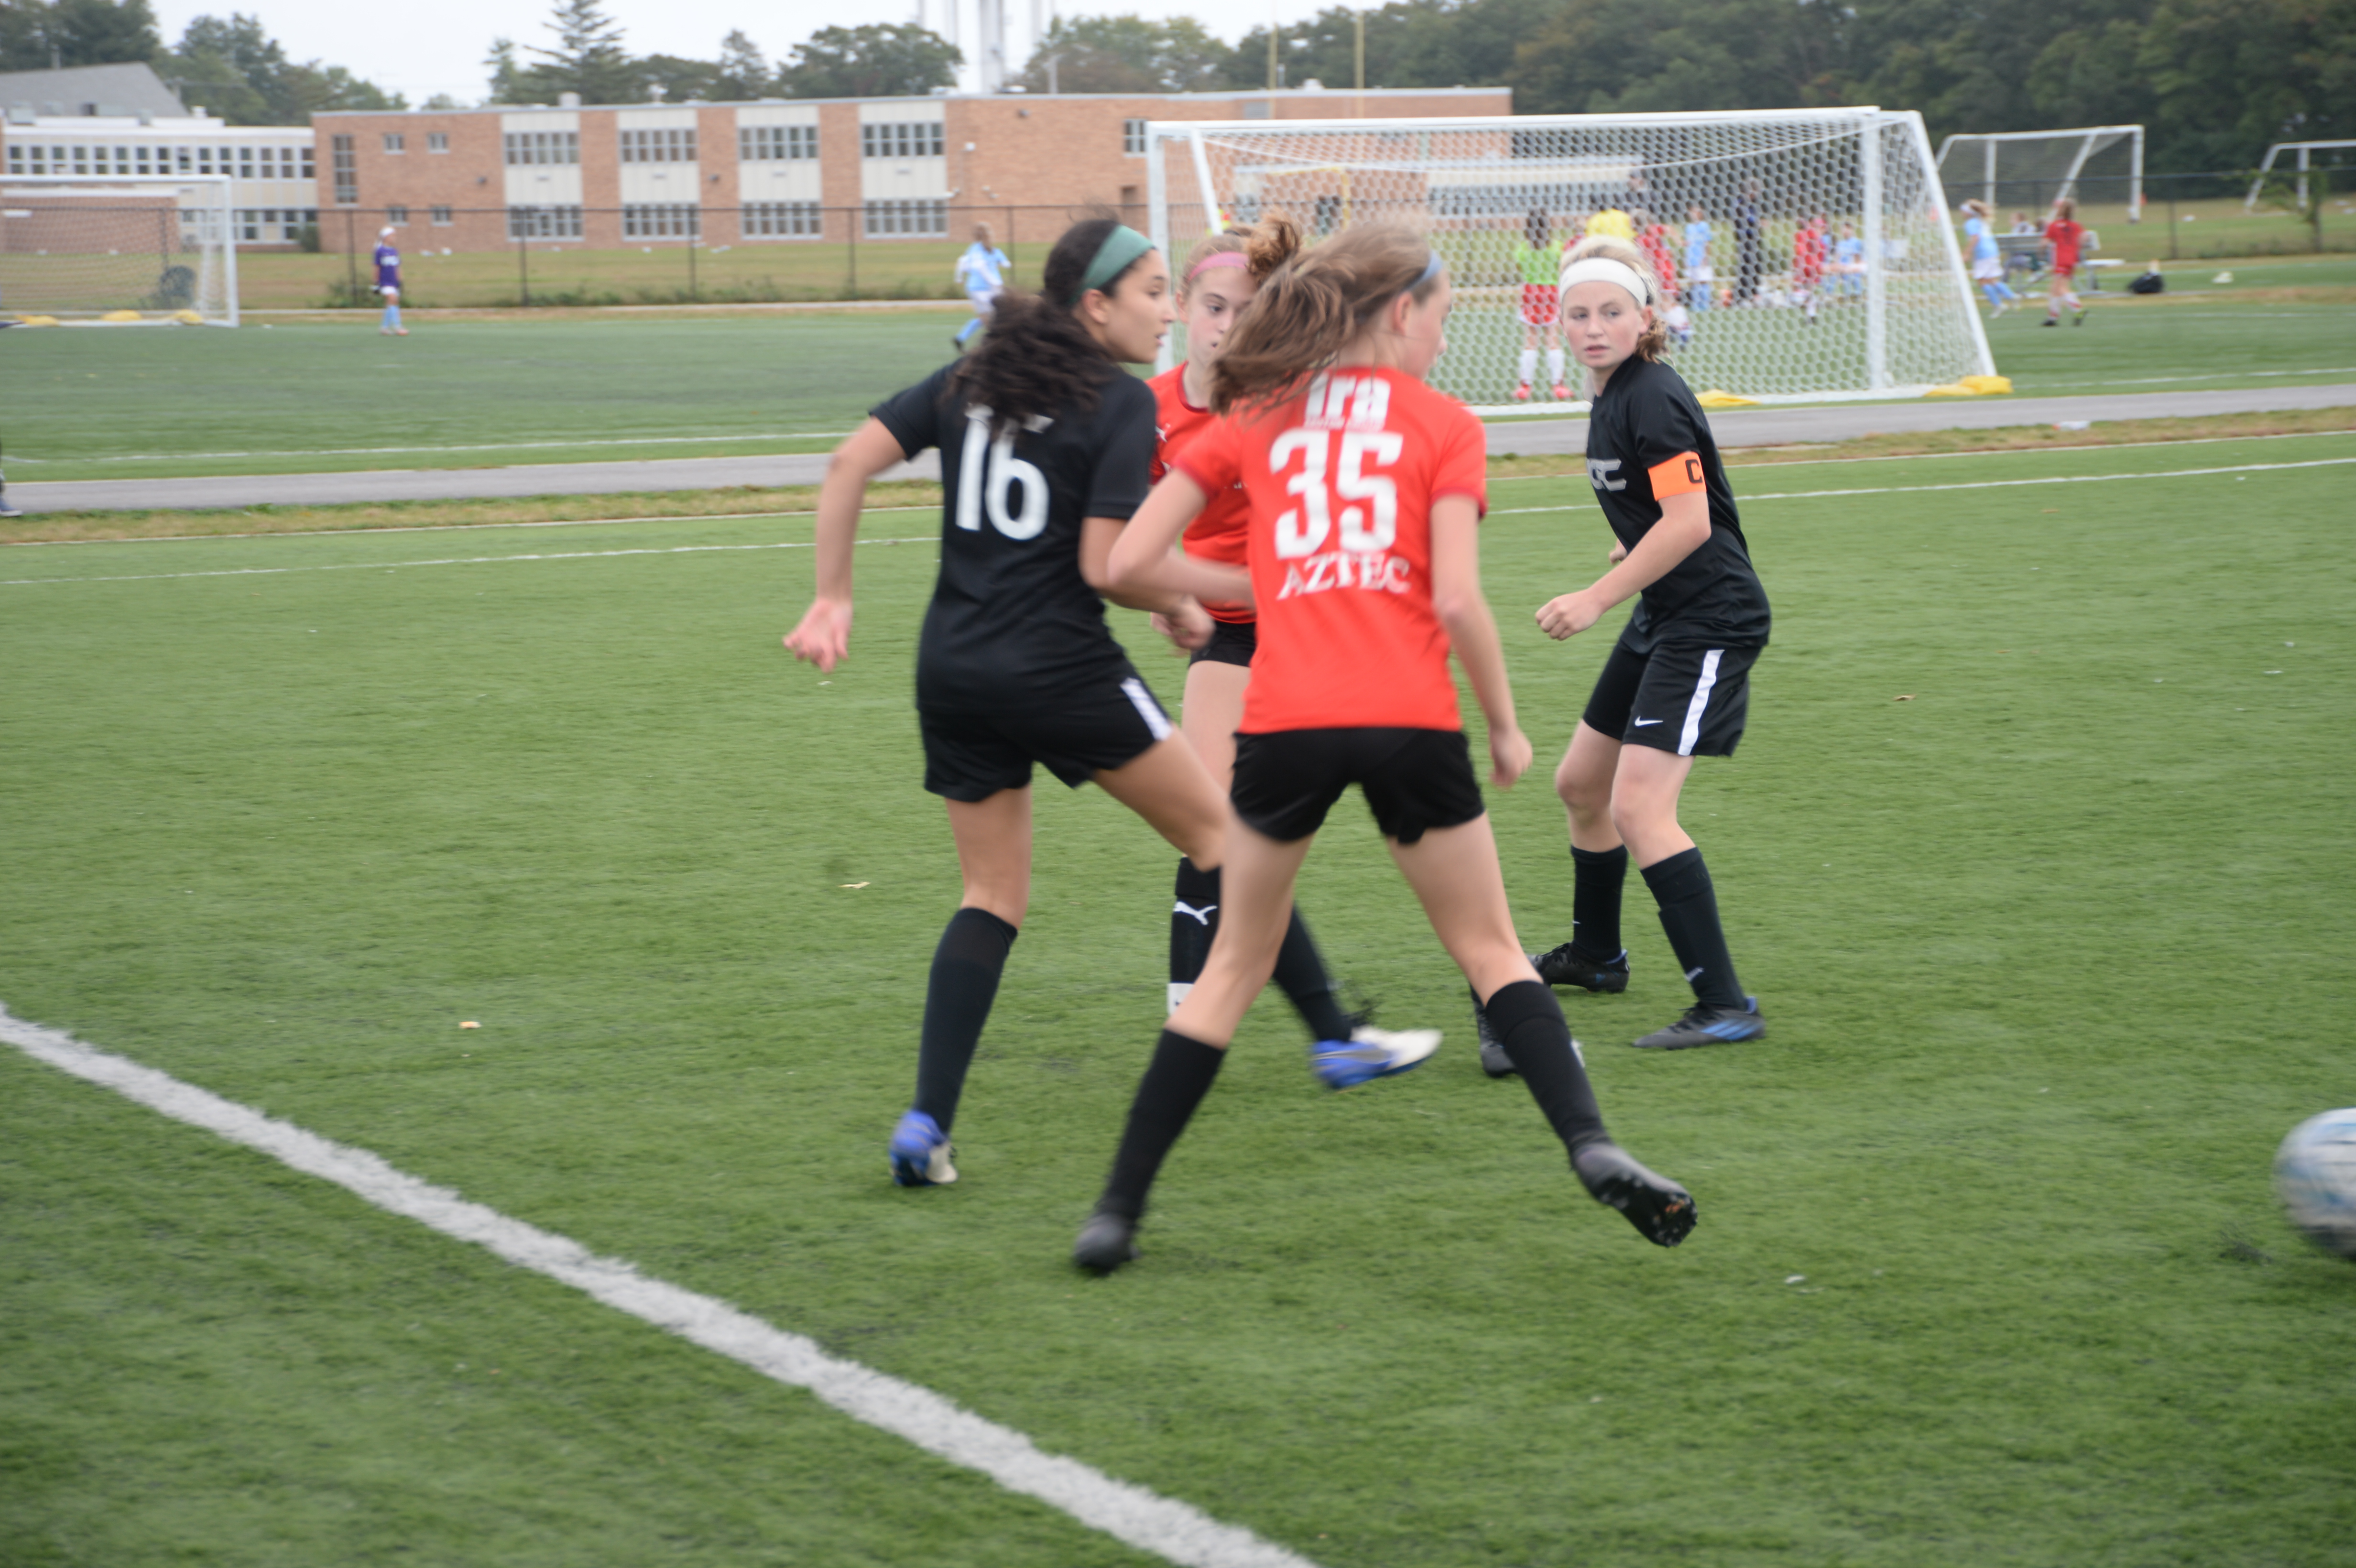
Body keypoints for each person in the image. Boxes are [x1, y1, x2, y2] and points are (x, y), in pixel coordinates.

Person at [1075, 221, 1699, 1273]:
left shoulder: (1255, 416)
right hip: (1408, 718)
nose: (1442, 342)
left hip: (1286, 721)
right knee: (1491, 950)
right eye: (1441, 320)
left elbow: (1130, 561)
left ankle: (1116, 1213)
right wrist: (1502, 722)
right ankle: (1590, 1145)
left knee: (1232, 969)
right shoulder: (1441, 424)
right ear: (1400, 314)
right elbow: (1454, 597)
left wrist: (1252, 584)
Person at [783, 218, 1231, 1189]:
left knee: (990, 897)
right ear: (1095, 305)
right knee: (1223, 838)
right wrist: (1186, 599)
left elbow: (846, 463)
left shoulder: (973, 377)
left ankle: (927, 1123)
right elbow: (1107, 567)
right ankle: (1334, 1032)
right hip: (1058, 667)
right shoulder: (1120, 401)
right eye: (1155, 290)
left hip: (951, 668)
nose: (1167, 311)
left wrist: (832, 597)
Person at [1147, 212, 1442, 1081]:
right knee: (1212, 829)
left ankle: (1492, 1002)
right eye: (1213, 306)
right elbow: (1128, 539)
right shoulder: (1149, 411)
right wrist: (1169, 595)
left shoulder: (1295, 404)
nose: (1227, 325)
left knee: (1418, 827)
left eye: (1247, 310)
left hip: (1317, 637)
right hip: (1230, 644)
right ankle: (1218, 1018)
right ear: (1183, 308)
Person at [1502, 234, 1771, 1058]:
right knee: (1581, 785)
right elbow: (1669, 511)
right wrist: (1634, 545)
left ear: (1645, 318)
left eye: (1611, 312)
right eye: (1578, 313)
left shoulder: (1650, 395)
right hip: (1665, 610)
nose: (1593, 327)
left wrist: (1594, 596)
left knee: (1640, 808)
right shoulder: (1612, 392)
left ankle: (1724, 1004)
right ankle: (1597, 957)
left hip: (1711, 618)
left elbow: (1690, 524)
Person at [1506, 208, 1570, 402]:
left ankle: (1525, 387)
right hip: (1551, 292)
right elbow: (1563, 267)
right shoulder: (1558, 248)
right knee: (1552, 338)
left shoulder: (1522, 250)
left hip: (1531, 292)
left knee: (1531, 339)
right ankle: (1558, 386)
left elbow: (1520, 267)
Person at [952, 222, 1011, 350]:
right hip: (982, 289)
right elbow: (982, 269)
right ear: (987, 237)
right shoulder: (980, 251)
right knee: (993, 317)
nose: (993, 239)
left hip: (975, 288)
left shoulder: (976, 249)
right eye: (991, 236)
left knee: (984, 317)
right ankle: (994, 346)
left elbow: (962, 262)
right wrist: (995, 283)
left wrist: (959, 278)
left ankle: (961, 338)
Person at [1960, 200, 2019, 318]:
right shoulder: (1980, 221)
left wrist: (1967, 253)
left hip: (1984, 254)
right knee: (1992, 280)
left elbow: (1975, 238)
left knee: (1982, 281)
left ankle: (1999, 304)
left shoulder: (1970, 223)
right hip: (1992, 252)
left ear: (1969, 213)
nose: (1962, 213)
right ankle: (2011, 296)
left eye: (1963, 211)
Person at [2042, 196, 2089, 327]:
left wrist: (2041, 249)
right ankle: (2053, 317)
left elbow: (2044, 242)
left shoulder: (2054, 225)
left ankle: (2078, 309)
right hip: (2072, 259)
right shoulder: (2076, 225)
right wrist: (2077, 246)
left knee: (2060, 288)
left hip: (2060, 259)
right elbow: (2084, 237)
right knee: (2054, 289)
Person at [1792, 212, 1828, 324]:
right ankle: (1811, 315)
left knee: (1801, 291)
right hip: (1812, 265)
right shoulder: (1810, 234)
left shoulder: (1804, 234)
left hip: (1807, 266)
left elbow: (1800, 251)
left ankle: (1809, 311)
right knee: (1809, 290)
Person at [1731, 180, 1762, 305]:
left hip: (1753, 240)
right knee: (1746, 267)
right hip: (1745, 240)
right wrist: (1757, 223)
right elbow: (1746, 220)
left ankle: (1753, 293)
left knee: (1755, 266)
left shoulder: (1752, 203)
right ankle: (1742, 295)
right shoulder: (1740, 203)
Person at [373, 226, 405, 336]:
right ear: (385, 237)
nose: (394, 238)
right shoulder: (380, 251)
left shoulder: (394, 251)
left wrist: (400, 281)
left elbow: (397, 267)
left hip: (393, 282)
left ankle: (384, 328)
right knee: (393, 300)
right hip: (385, 282)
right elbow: (377, 267)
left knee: (391, 303)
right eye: (392, 236)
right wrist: (376, 283)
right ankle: (398, 327)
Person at [1682, 202, 1714, 314]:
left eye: (1696, 212)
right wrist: (1686, 259)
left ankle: (1705, 304)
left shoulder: (1704, 226)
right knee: (1694, 282)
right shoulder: (1689, 227)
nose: (1694, 215)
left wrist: (1706, 257)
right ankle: (1695, 304)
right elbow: (1688, 244)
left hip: (1701, 258)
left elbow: (1707, 243)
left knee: (1703, 281)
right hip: (1691, 259)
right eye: (1692, 212)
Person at [1831, 220, 1866, 297]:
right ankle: (1830, 294)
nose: (1844, 231)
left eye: (1846, 229)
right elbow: (1837, 257)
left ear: (1851, 230)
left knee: (1853, 276)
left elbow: (1857, 258)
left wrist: (1850, 267)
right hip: (1842, 267)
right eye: (1842, 229)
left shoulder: (1856, 242)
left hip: (1852, 267)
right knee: (1833, 275)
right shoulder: (1841, 244)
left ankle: (1858, 293)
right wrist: (1836, 266)